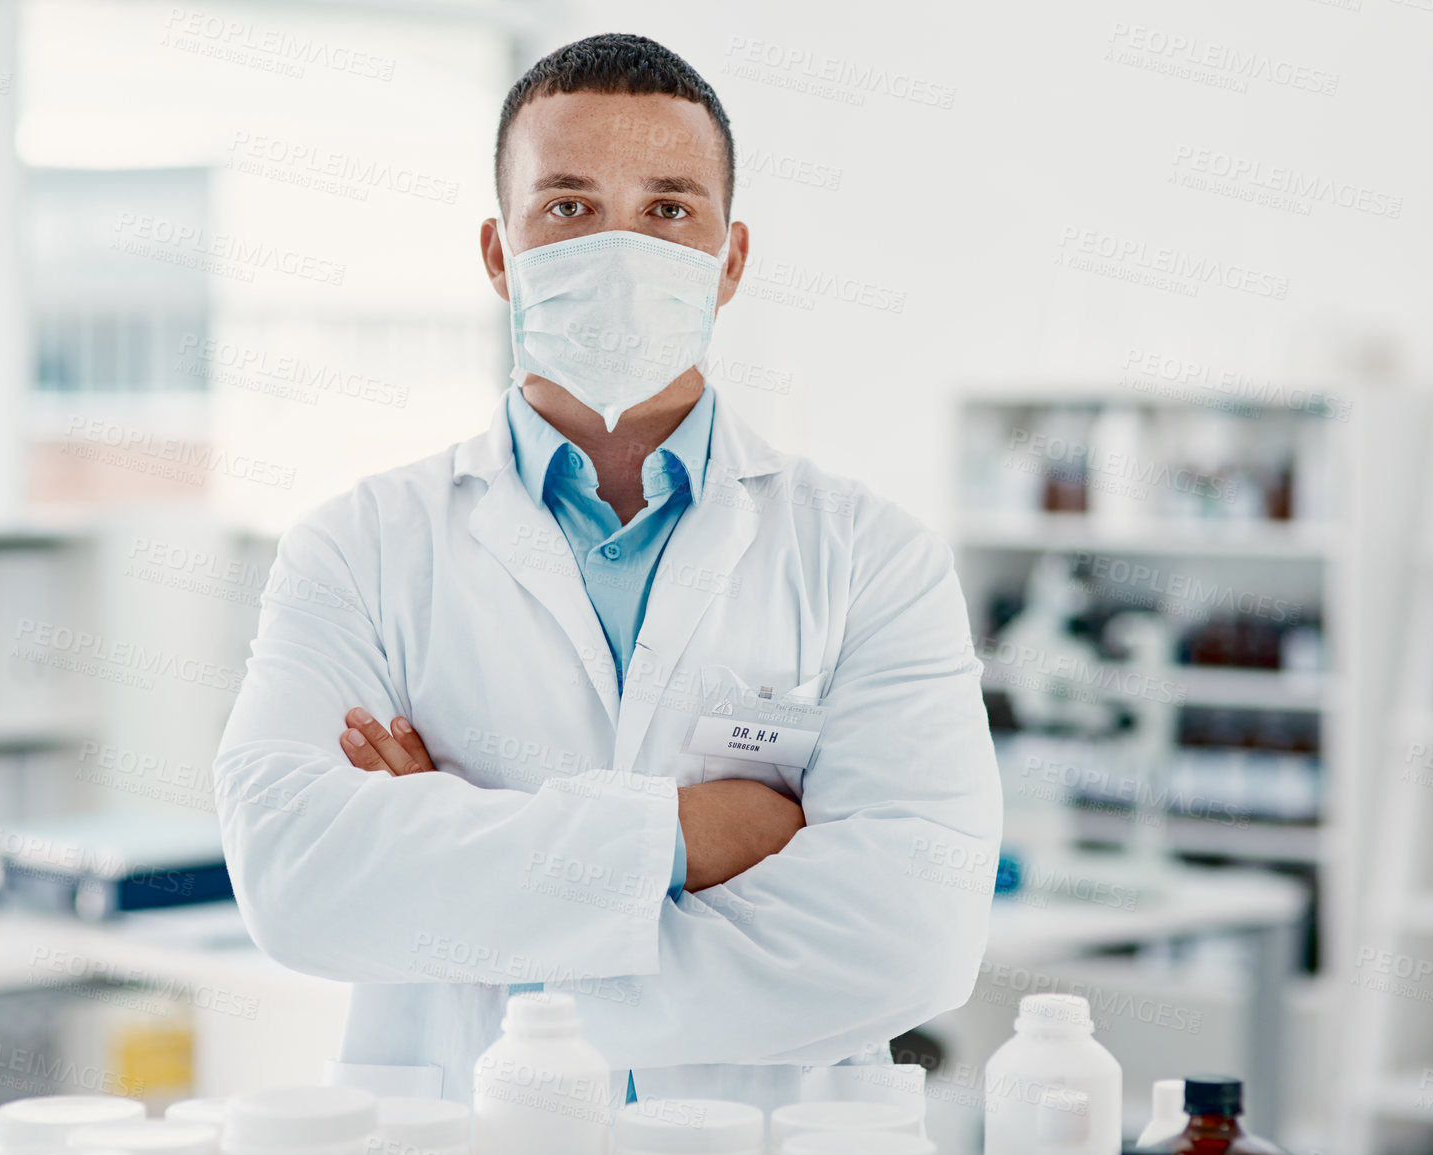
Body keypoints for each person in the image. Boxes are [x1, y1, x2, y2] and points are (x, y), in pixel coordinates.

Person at [215, 32, 1001, 1114]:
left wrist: (476, 901)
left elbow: (909, 936)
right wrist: (690, 837)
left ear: (730, 260)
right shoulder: (358, 546)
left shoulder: (873, 557)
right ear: (501, 255)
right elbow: (298, 878)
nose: (622, 248)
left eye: (670, 209)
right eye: (570, 208)